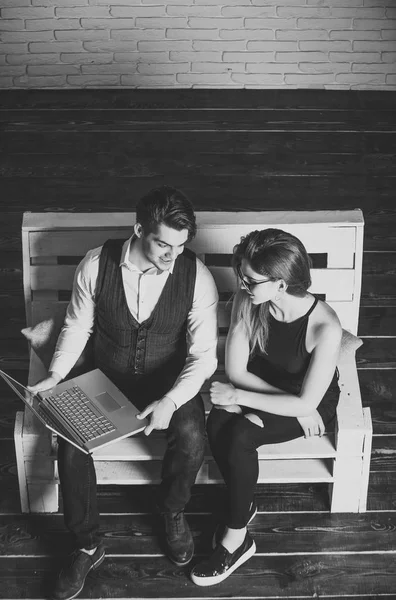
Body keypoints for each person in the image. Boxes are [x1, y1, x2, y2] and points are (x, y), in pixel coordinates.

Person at [29, 186, 218, 600]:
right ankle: (87, 542)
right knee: (70, 440)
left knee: (191, 436)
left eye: (182, 246)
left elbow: (204, 356)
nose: (174, 256)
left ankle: (171, 513)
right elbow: (77, 326)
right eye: (164, 245)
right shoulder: (96, 265)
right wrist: (57, 373)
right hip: (105, 378)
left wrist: (171, 400)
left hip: (167, 382)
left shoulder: (196, 276)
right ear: (138, 230)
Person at [190, 228, 342, 587]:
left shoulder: (325, 327)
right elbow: (237, 371)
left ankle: (237, 539)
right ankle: (243, 506)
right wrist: (249, 398)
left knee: (241, 433)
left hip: (312, 402)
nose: (242, 284)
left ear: (281, 284)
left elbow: (307, 400)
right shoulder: (251, 300)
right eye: (242, 275)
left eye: (251, 280)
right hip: (264, 389)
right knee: (217, 424)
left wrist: (248, 400)